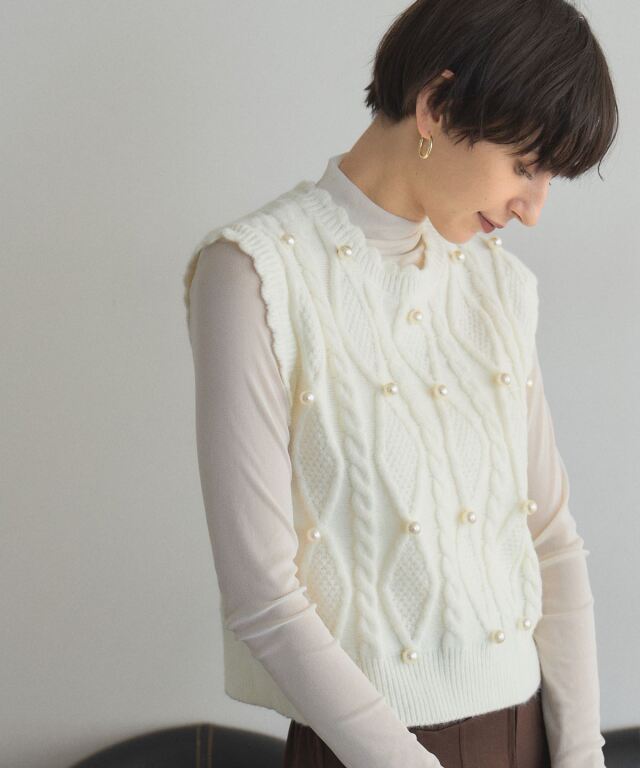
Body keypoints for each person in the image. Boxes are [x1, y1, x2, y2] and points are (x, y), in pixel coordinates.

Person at [183, 1, 619, 766]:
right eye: (526, 166)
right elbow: (263, 595)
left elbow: (550, 539)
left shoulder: (498, 287)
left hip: (533, 735)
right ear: (437, 105)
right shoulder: (255, 275)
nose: (533, 209)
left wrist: (582, 756)